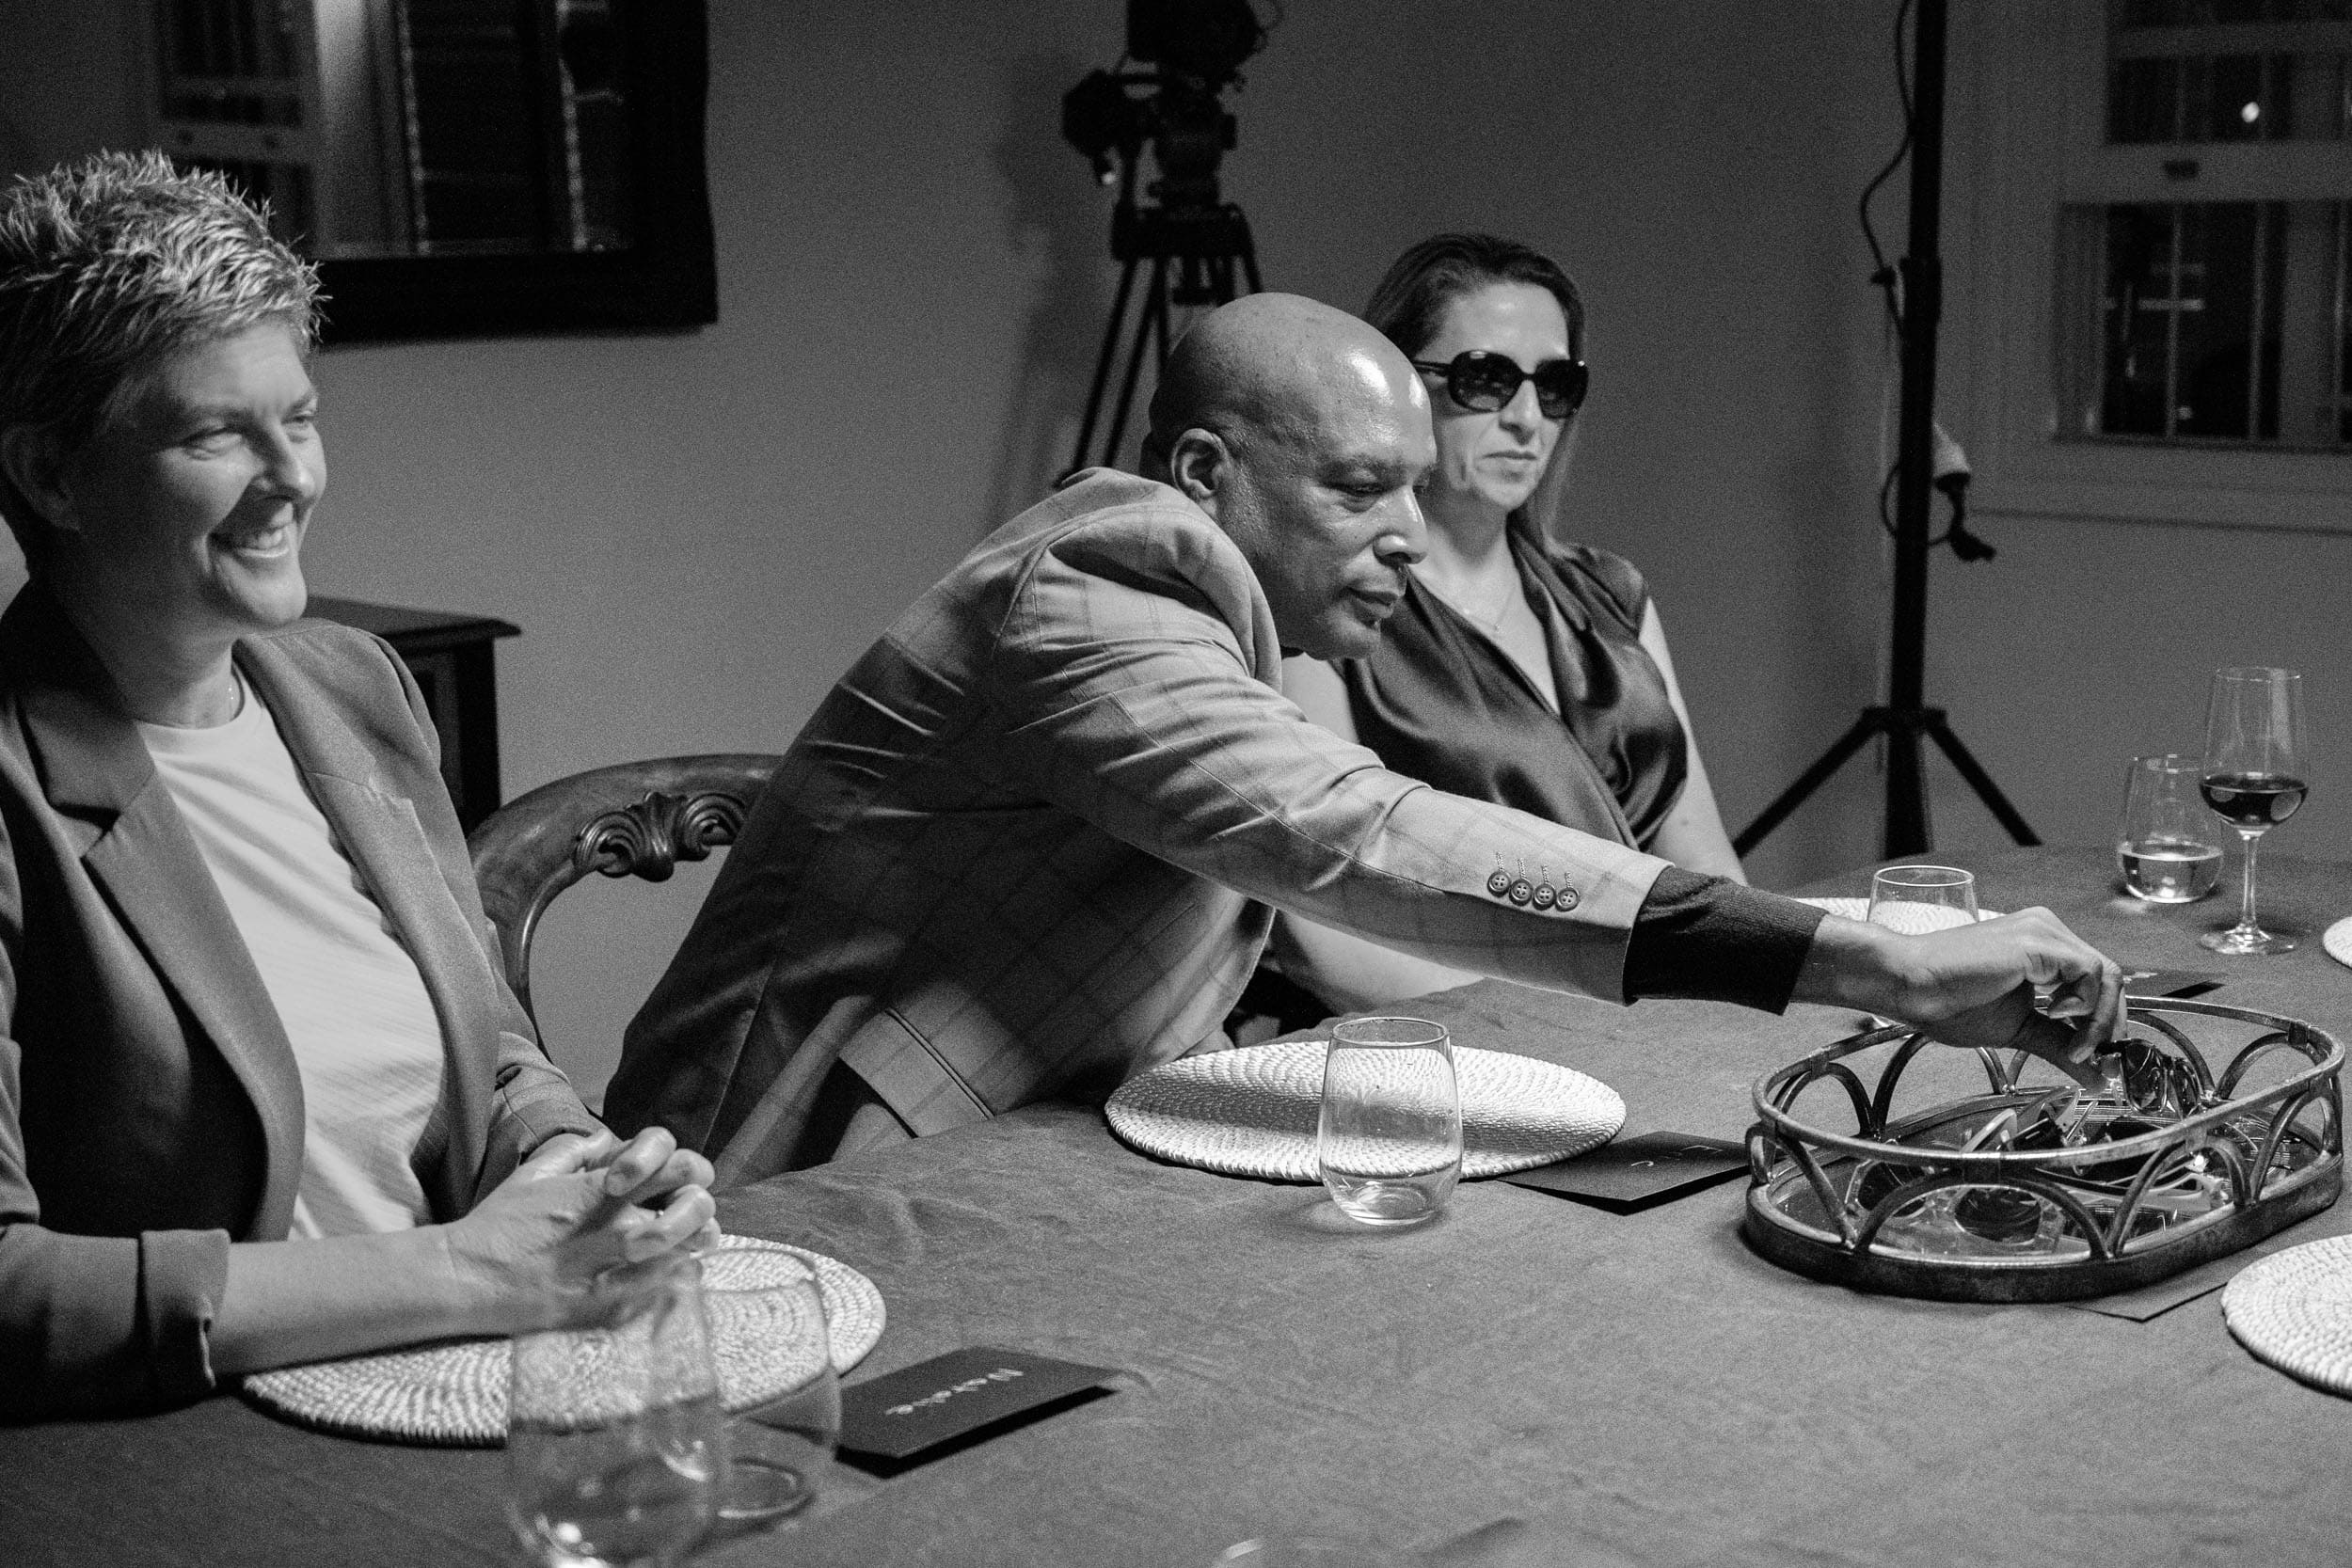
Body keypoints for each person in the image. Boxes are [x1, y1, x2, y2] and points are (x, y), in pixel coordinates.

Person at [606, 289, 2122, 1180]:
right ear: (1205, 473)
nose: (1409, 531)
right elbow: (1357, 834)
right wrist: (1882, 964)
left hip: (1051, 1131)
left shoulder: (1237, 611)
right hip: (794, 1182)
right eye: (1354, 487)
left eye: (1412, 481)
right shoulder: (1098, 584)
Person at [0, 152, 713, 1419]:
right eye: (217, 432)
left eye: (301, 416)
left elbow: (492, 1053)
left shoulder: (355, 687)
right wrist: (469, 1268)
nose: (294, 477)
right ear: (53, 475)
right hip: (185, 1445)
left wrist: (583, 1173)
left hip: (455, 1381)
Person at [1270, 232, 1739, 1016]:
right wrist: (1580, 1025)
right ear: (1397, 387)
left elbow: (1707, 872)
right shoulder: (1325, 605)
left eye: (1554, 384)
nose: (1527, 418)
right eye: (1486, 378)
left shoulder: (1613, 595)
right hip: (1443, 1042)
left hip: (1643, 1023)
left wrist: (1751, 1001)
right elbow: (1321, 933)